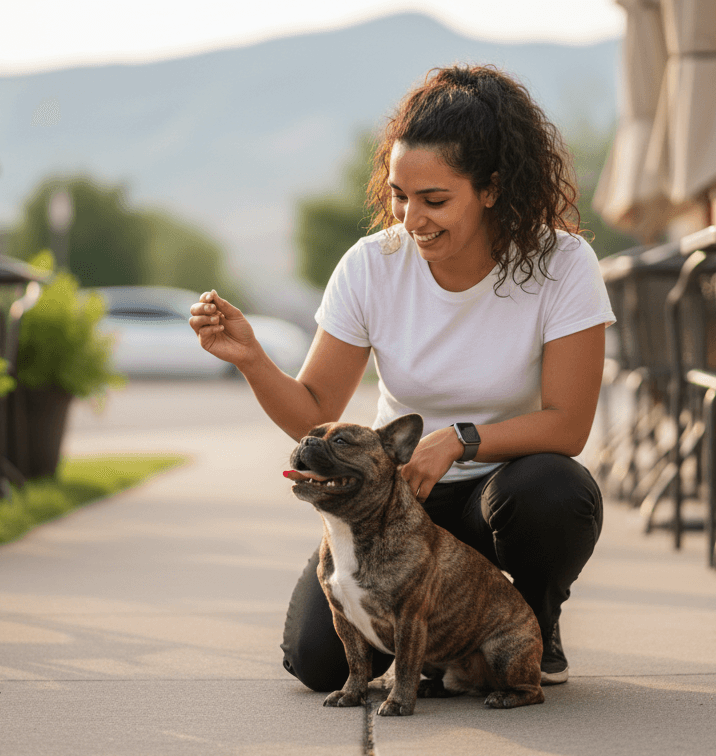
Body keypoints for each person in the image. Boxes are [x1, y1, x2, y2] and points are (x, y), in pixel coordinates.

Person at [188, 64, 613, 691]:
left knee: (554, 491)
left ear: (491, 188)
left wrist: (459, 441)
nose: (412, 219)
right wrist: (252, 358)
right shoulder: (372, 266)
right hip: (400, 509)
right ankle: (444, 646)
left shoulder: (563, 264)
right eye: (399, 196)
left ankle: (529, 625)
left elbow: (568, 425)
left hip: (501, 500)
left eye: (434, 200)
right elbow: (315, 410)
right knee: (316, 663)